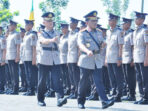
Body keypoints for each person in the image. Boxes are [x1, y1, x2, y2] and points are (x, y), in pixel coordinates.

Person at [77, 10, 114, 109]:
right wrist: (87, 50)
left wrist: (104, 44)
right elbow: (80, 45)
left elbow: (102, 42)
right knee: (84, 82)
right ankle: (81, 101)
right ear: (87, 22)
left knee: (99, 81)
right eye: (93, 21)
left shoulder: (99, 32)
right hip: (86, 59)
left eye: (96, 21)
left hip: (97, 60)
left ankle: (104, 101)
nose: (95, 23)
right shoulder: (82, 33)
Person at [37, 12, 67, 107]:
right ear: (44, 22)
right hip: (44, 58)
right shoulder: (41, 33)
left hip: (55, 58)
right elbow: (42, 41)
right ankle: (40, 99)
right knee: (42, 80)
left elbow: (60, 44)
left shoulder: (57, 32)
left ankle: (60, 99)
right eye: (48, 21)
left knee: (57, 79)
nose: (51, 23)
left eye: (52, 21)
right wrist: (51, 40)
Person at [105, 13, 124, 102]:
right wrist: (105, 58)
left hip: (116, 58)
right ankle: (113, 92)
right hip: (109, 58)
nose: (110, 22)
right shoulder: (108, 32)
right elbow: (107, 46)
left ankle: (118, 95)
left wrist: (120, 58)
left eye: (112, 20)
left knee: (118, 77)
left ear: (115, 21)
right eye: (109, 20)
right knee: (111, 77)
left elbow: (120, 46)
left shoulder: (119, 32)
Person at [132, 11, 148, 105]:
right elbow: (135, 46)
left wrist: (146, 58)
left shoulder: (145, 30)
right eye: (135, 18)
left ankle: (146, 97)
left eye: (137, 18)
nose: (135, 20)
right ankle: (142, 96)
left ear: (142, 20)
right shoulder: (135, 31)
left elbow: (147, 45)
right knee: (139, 78)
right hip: (137, 57)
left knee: (145, 78)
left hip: (143, 57)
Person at [121, 18, 136, 101]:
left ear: (128, 24)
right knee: (125, 77)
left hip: (129, 58)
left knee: (130, 77)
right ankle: (127, 93)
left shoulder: (131, 34)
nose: (122, 25)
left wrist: (133, 59)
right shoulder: (123, 33)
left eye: (124, 24)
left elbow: (133, 47)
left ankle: (132, 94)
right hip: (123, 58)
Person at [22, 19, 37, 96]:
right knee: (27, 74)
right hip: (25, 56)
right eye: (25, 25)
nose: (25, 26)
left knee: (31, 74)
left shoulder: (32, 35)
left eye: (27, 25)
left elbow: (34, 48)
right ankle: (29, 89)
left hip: (31, 57)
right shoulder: (26, 35)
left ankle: (32, 90)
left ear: (31, 26)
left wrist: (34, 59)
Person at [6, 20, 20, 95]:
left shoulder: (16, 34)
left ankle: (16, 90)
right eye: (9, 25)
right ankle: (12, 88)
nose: (9, 26)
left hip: (14, 56)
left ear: (14, 26)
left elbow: (18, 46)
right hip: (9, 56)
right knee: (11, 74)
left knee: (15, 73)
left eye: (11, 25)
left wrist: (17, 56)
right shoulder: (10, 34)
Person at [67, 17, 80, 99]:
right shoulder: (70, 33)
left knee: (76, 77)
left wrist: (78, 59)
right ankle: (73, 91)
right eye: (70, 23)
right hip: (70, 58)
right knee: (71, 76)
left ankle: (77, 92)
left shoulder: (78, 34)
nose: (70, 24)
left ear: (75, 24)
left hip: (75, 57)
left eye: (72, 23)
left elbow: (79, 47)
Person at [59, 23, 71, 95]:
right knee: (63, 75)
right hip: (61, 59)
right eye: (62, 29)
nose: (63, 30)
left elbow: (69, 49)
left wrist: (68, 59)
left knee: (68, 75)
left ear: (67, 28)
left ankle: (69, 88)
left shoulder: (69, 37)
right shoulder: (61, 37)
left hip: (66, 58)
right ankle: (65, 87)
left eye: (65, 28)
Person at [19, 27, 27, 92]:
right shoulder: (21, 40)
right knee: (22, 74)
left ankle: (26, 86)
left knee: (25, 74)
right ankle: (23, 86)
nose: (20, 33)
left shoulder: (25, 39)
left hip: (25, 59)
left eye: (22, 32)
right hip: (21, 60)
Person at [0, 26, 6, 94]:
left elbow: (4, 50)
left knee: (1, 75)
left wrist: (3, 60)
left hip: (1, 59)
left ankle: (2, 88)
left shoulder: (2, 39)